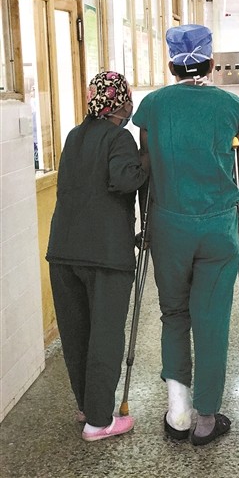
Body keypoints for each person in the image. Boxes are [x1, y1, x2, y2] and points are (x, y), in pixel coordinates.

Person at [132, 24, 239, 446]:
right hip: (219, 228)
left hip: (169, 227)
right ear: (211, 62)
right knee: (211, 320)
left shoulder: (152, 106)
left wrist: (146, 227)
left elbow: (146, 169)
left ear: (172, 65)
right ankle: (206, 419)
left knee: (174, 314)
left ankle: (178, 413)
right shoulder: (232, 106)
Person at [46, 71, 148, 441]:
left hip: (63, 251)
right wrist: (146, 161)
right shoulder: (119, 137)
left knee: (76, 334)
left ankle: (87, 407)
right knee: (105, 337)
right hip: (105, 255)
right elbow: (124, 179)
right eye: (127, 100)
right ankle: (100, 421)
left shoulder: (74, 135)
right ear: (120, 103)